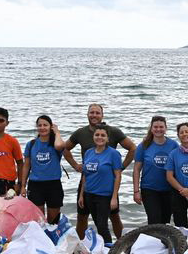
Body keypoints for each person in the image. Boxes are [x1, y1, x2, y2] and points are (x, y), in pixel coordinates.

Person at [64, 103, 136, 239]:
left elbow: (132, 148)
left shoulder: (113, 132)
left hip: (107, 185)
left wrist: (121, 168)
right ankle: (81, 246)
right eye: (92, 112)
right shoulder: (81, 133)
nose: (94, 115)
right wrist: (75, 165)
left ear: (102, 115)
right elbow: (65, 148)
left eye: (97, 113)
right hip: (88, 181)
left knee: (114, 215)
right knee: (82, 216)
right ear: (87, 114)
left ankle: (122, 244)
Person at [77, 124, 123, 243]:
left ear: (108, 138)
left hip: (104, 196)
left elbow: (118, 176)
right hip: (89, 194)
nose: (100, 137)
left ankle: (110, 250)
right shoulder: (88, 153)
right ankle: (103, 249)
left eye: (103, 135)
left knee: (102, 227)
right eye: (97, 135)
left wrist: (114, 198)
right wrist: (82, 195)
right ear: (93, 136)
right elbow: (85, 175)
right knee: (98, 225)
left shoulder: (113, 154)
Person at [132, 115, 178, 225]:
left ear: (165, 128)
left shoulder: (173, 145)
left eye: (161, 127)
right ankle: (152, 241)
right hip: (149, 189)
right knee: (154, 220)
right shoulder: (144, 146)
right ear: (151, 128)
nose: (158, 129)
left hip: (169, 189)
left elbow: (178, 167)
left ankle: (163, 242)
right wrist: (136, 191)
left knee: (165, 221)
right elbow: (137, 169)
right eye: (155, 127)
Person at [20, 115, 66, 224]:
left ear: (51, 127)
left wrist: (57, 133)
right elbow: (26, 165)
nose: (42, 127)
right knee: (38, 221)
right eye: (39, 125)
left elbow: (60, 146)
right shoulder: (31, 144)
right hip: (35, 185)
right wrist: (22, 186)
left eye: (45, 125)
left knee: (53, 222)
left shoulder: (56, 143)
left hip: (54, 184)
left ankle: (53, 241)